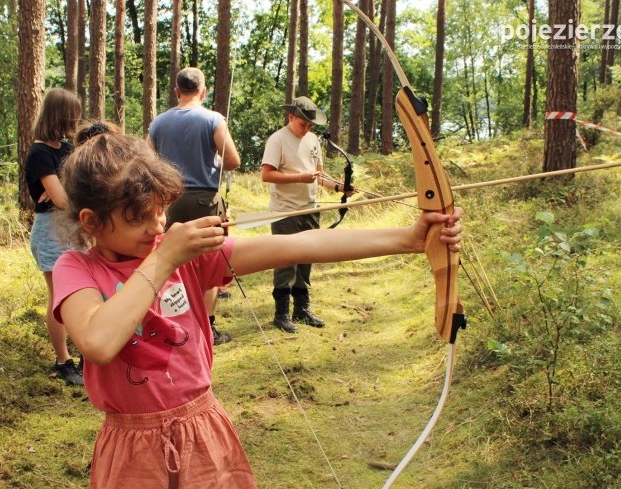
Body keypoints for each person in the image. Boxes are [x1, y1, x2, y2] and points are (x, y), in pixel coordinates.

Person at [51, 128, 463, 488]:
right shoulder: (78, 268)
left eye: (161, 210)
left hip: (202, 429)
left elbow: (297, 244)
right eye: (140, 217)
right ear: (91, 221)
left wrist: (407, 239)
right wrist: (163, 261)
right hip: (132, 448)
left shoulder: (185, 256)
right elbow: (98, 342)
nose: (158, 226)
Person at [148, 66, 241, 346]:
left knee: (169, 259)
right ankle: (207, 328)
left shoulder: (158, 123)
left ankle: (171, 322)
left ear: (176, 91)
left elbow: (147, 163)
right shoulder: (213, 119)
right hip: (204, 199)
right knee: (209, 261)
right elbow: (233, 160)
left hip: (168, 201)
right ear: (203, 91)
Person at [261, 96, 352, 333]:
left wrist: (341, 187)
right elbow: (267, 175)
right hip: (285, 211)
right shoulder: (277, 139)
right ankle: (281, 314)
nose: (307, 128)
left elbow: (319, 175)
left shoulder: (312, 140)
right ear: (291, 117)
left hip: (311, 209)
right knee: (285, 261)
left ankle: (301, 309)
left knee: (306, 259)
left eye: (311, 125)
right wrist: (299, 177)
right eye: (303, 124)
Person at [24, 87, 84, 386]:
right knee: (59, 297)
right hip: (51, 230)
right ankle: (63, 360)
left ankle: (87, 350)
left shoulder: (65, 149)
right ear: (59, 116)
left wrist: (63, 188)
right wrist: (63, 190)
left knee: (87, 291)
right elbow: (61, 199)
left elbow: (73, 187)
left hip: (75, 228)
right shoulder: (39, 153)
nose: (75, 122)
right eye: (72, 116)